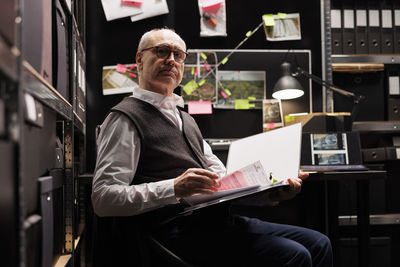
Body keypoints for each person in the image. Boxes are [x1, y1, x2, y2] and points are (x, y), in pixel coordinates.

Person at [92, 28, 333, 267]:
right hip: (173, 231)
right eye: (162, 51)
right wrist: (174, 188)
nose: (171, 60)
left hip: (214, 223)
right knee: (295, 255)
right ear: (139, 59)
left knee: (319, 243)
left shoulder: (186, 120)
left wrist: (272, 194)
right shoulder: (124, 118)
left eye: (178, 55)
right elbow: (103, 198)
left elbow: (223, 184)